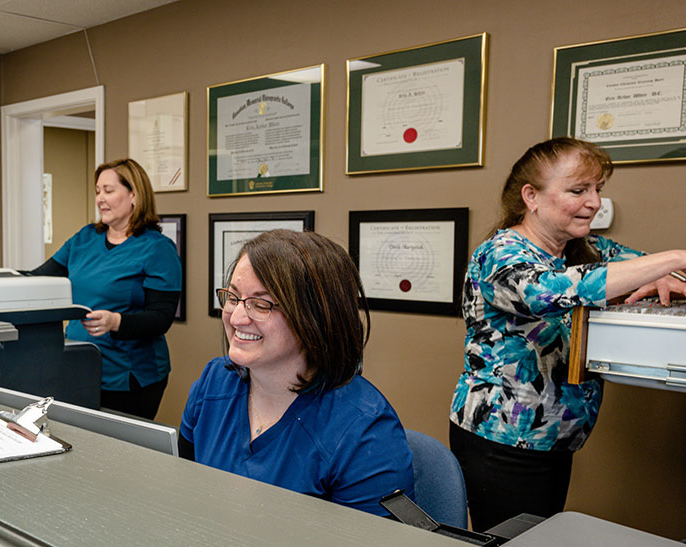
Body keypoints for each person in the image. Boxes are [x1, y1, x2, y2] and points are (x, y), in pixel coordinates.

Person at [449, 137, 686, 531]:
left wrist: (664, 273)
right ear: (532, 197)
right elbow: (551, 290)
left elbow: (637, 270)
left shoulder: (585, 247)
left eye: (597, 190)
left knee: (541, 538)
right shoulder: (501, 254)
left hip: (556, 439)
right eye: (578, 190)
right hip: (504, 442)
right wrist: (674, 258)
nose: (593, 202)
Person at [179, 230, 414, 517]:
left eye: (261, 304)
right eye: (233, 297)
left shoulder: (365, 434)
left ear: (315, 317)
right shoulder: (213, 382)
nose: (237, 317)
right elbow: (186, 491)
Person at [26, 159, 181, 419]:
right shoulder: (85, 238)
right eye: (98, 191)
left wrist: (115, 321)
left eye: (108, 191)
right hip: (77, 364)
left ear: (134, 194)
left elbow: (161, 318)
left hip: (130, 376)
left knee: (117, 454)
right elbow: (38, 278)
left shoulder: (157, 249)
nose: (100, 199)